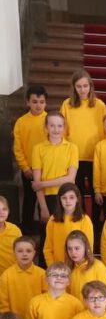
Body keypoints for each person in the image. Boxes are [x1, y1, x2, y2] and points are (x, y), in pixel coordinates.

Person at [60, 69, 106, 200]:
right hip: (75, 155)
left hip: (95, 155)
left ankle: (95, 220)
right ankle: (79, 218)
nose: (82, 90)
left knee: (95, 192)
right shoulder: (67, 104)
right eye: (79, 86)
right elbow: (63, 129)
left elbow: (105, 130)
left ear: (90, 86)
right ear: (74, 87)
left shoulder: (99, 105)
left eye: (85, 86)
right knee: (77, 191)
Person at [12, 85, 47, 234]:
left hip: (46, 169)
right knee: (29, 200)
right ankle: (26, 230)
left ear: (45, 103)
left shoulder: (49, 120)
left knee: (43, 202)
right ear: (27, 102)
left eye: (41, 102)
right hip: (29, 170)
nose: (38, 105)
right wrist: (25, 167)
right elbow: (18, 148)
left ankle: (44, 229)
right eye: (34, 101)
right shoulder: (21, 122)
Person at [30, 111, 78, 221]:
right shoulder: (37, 149)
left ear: (64, 127)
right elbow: (37, 181)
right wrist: (43, 207)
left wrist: (43, 184)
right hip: (46, 199)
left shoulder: (72, 148)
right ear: (46, 127)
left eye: (60, 126)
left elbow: (70, 178)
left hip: (67, 196)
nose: (56, 130)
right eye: (52, 126)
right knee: (47, 235)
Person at [0, 237, 47, 319]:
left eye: (28, 251)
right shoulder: (6, 275)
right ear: (14, 253)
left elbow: (47, 299)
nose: (24, 254)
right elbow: (3, 304)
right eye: (20, 251)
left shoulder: (42, 274)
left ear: (34, 253)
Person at [43, 183, 94, 267]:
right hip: (58, 268)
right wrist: (53, 267)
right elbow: (48, 249)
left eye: (71, 197)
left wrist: (81, 267)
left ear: (77, 199)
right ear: (59, 199)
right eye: (64, 198)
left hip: (79, 268)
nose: (68, 201)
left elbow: (88, 248)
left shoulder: (85, 220)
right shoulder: (53, 220)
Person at [65, 230, 106, 303]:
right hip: (75, 312)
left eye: (77, 248)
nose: (73, 252)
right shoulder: (68, 269)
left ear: (86, 248)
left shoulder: (98, 266)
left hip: (93, 312)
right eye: (69, 249)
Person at [0, 196, 22, 276]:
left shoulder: (15, 230)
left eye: (4, 209)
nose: (1, 212)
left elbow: (22, 252)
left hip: (12, 276)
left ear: (8, 211)